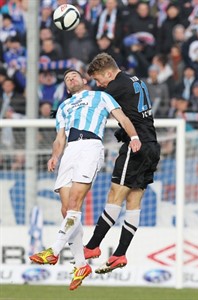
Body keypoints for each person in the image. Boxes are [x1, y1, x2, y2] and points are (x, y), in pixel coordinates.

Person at [29, 69, 142, 290]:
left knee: (74, 206)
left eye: (73, 76)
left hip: (90, 147)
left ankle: (53, 251)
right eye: (66, 79)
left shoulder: (100, 97)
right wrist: (55, 155)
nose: (70, 79)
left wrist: (135, 136)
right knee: (66, 210)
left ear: (83, 80)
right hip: (69, 151)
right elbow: (60, 138)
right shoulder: (63, 107)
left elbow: (122, 117)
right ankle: (81, 265)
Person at [83, 52, 160, 274]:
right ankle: (119, 254)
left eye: (99, 79)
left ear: (109, 72)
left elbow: (94, 100)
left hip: (137, 147)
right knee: (134, 201)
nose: (100, 84)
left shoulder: (116, 85)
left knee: (115, 195)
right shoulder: (135, 81)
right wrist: (121, 132)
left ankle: (92, 246)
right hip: (152, 145)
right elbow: (136, 112)